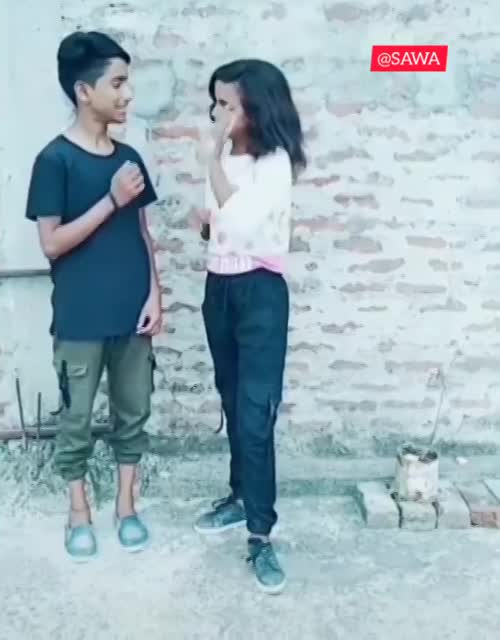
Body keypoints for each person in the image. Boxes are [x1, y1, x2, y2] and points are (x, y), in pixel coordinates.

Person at [25, 31, 161, 560]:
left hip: (132, 313)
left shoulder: (129, 158)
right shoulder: (54, 160)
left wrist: (156, 294)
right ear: (85, 91)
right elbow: (52, 243)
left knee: (133, 412)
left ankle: (127, 506)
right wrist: (110, 200)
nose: (128, 94)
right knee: (76, 418)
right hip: (80, 316)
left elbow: (142, 233)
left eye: (128, 82)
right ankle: (77, 511)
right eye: (118, 83)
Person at [193, 59, 306, 594]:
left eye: (228, 105)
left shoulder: (274, 162)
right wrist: (206, 222)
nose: (218, 114)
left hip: (260, 292)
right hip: (219, 288)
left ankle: (261, 534)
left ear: (256, 108)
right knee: (232, 399)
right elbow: (217, 223)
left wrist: (208, 162)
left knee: (256, 411)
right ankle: (240, 497)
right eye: (215, 103)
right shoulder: (224, 157)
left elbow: (238, 220)